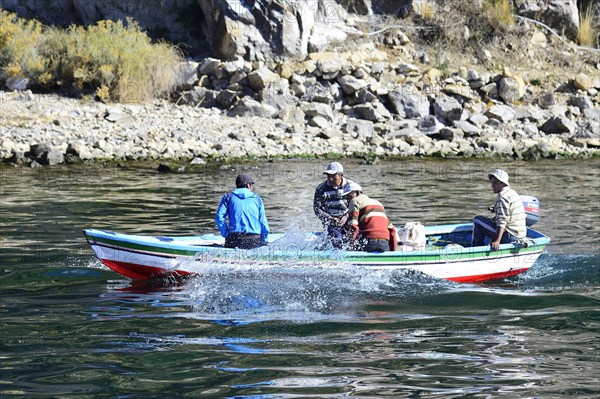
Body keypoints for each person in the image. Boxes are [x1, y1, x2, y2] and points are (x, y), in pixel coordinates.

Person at [472, 169, 527, 250]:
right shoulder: (512, 193)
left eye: (495, 183)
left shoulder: (502, 197)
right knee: (491, 221)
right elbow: (508, 211)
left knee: (477, 220)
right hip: (519, 235)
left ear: (502, 183)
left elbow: (502, 221)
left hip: (510, 236)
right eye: (492, 183)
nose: (492, 186)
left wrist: (497, 241)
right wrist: (496, 209)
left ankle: (475, 249)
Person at [215, 173, 269, 249]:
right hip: (254, 240)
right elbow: (263, 222)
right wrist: (264, 241)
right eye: (251, 185)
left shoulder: (228, 197)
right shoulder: (257, 199)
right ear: (248, 185)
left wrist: (226, 234)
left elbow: (219, 218)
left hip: (234, 239)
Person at [313, 161, 355, 249]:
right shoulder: (321, 189)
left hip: (348, 217)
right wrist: (331, 218)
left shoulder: (351, 186)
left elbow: (357, 204)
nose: (330, 179)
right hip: (331, 220)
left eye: (334, 176)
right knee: (337, 241)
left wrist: (346, 216)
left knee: (354, 238)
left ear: (341, 176)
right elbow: (317, 209)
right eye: (328, 176)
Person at [342, 182, 393, 253]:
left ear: (357, 192)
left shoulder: (354, 201)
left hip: (369, 242)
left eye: (348, 195)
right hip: (385, 242)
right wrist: (392, 252)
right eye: (344, 197)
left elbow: (353, 226)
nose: (347, 199)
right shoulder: (378, 203)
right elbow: (392, 229)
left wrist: (349, 247)